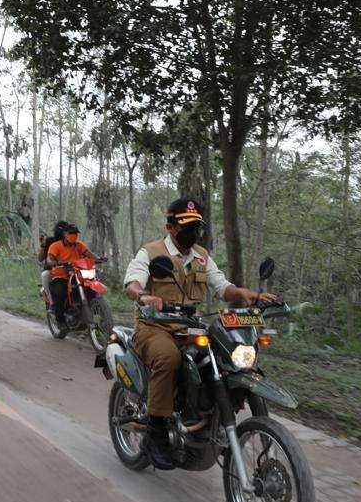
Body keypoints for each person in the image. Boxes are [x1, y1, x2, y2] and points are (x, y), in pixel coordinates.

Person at [122, 198, 276, 470]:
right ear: (171, 226)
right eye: (187, 225)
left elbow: (222, 286)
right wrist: (144, 295)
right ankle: (155, 433)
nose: (193, 231)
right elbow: (133, 281)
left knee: (225, 358)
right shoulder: (151, 251)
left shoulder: (201, 255)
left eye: (197, 226)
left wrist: (247, 295)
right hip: (154, 327)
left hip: (190, 328)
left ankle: (209, 414)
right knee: (168, 358)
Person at [45, 223, 97, 327]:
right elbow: (49, 259)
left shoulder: (79, 245)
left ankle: (93, 310)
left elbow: (89, 254)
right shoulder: (56, 246)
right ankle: (60, 319)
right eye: (71, 233)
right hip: (61, 276)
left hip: (78, 274)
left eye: (75, 233)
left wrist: (98, 258)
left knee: (92, 286)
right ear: (65, 234)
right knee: (60, 290)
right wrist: (54, 262)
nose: (74, 235)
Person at [39, 220, 70, 303]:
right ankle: (51, 301)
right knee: (45, 275)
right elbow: (40, 259)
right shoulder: (49, 241)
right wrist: (43, 245)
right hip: (52, 270)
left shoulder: (71, 242)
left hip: (68, 270)